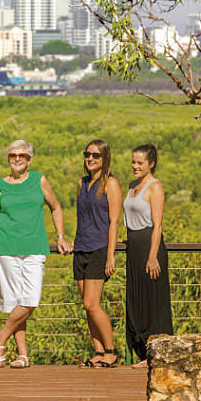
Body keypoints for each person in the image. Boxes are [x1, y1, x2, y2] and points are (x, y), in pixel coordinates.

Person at [0, 140, 72, 368]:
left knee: (30, 299)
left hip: (35, 248)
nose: (16, 159)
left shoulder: (39, 180)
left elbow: (56, 207)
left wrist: (61, 236)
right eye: (12, 155)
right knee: (16, 303)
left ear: (30, 159)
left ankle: (0, 337)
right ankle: (22, 355)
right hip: (6, 250)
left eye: (21, 155)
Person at [73, 140, 122, 368]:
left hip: (99, 248)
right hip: (81, 247)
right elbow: (82, 217)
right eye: (87, 154)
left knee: (92, 304)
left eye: (95, 155)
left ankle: (111, 351)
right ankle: (98, 351)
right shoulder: (82, 183)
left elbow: (113, 222)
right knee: (86, 305)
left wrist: (110, 254)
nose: (90, 159)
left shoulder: (110, 184)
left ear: (105, 158)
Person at [123, 144, 173, 368]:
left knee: (153, 300)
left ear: (151, 164)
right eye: (133, 161)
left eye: (139, 163)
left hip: (150, 248)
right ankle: (142, 352)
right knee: (137, 300)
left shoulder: (155, 187)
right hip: (133, 247)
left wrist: (152, 256)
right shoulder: (132, 185)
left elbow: (157, 225)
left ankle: (156, 353)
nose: (134, 166)